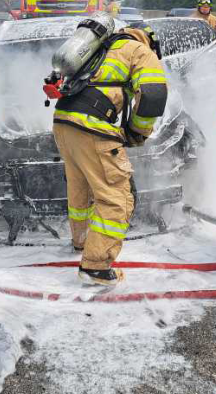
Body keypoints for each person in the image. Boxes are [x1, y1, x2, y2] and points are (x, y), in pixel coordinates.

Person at [53, 21, 168, 285]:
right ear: (149, 40)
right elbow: (153, 95)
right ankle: (95, 266)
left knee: (80, 187)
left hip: (64, 121)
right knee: (117, 198)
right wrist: (137, 132)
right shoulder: (140, 50)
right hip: (91, 124)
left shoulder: (100, 48)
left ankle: (82, 242)